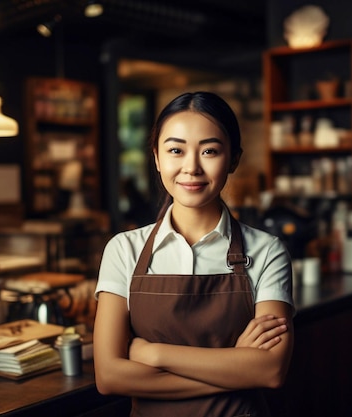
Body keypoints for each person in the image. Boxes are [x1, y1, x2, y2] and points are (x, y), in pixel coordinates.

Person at [93, 91, 295, 416]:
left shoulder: (267, 251)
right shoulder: (123, 250)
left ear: (233, 159)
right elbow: (109, 376)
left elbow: (270, 370)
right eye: (176, 150)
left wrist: (155, 354)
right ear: (157, 158)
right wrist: (237, 370)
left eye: (210, 151)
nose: (192, 167)